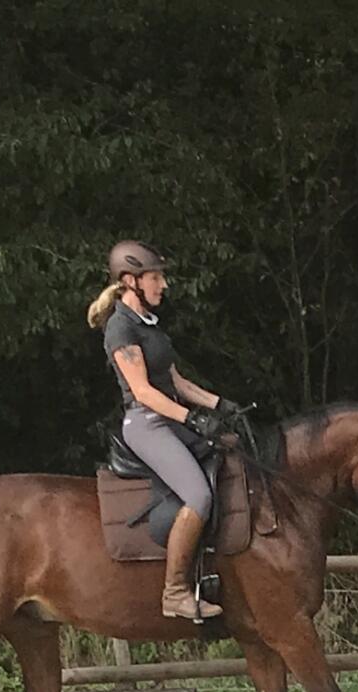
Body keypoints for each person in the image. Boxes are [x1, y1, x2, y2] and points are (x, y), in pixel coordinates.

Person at [86, 240, 245, 620]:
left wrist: (220, 404)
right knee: (198, 495)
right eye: (155, 277)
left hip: (170, 417)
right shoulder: (121, 328)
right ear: (131, 281)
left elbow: (176, 382)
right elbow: (143, 392)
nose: (164, 285)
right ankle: (174, 592)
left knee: (232, 449)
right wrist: (191, 418)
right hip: (146, 424)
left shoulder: (149, 324)